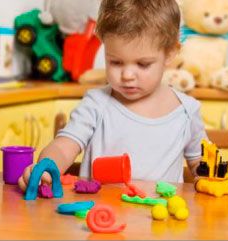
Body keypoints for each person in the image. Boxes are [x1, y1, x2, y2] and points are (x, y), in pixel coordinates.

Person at [18, 0, 207, 191]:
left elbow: (200, 162)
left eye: (143, 64)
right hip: (98, 216)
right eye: (115, 62)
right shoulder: (96, 104)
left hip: (161, 217)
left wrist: (210, 175)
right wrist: (46, 168)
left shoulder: (186, 111)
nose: (127, 75)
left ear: (170, 53)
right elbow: (64, 146)